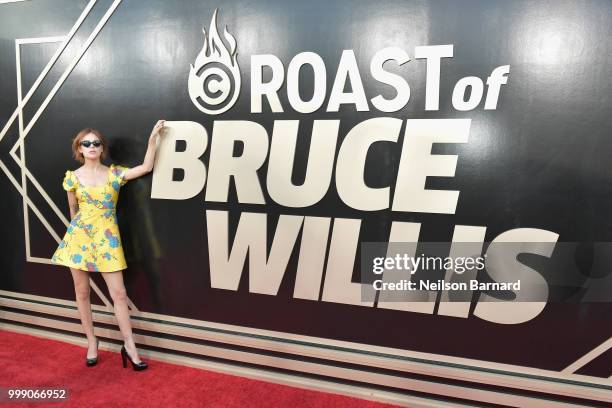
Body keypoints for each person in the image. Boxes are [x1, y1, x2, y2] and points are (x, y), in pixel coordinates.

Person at [51, 120, 166, 371]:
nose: (92, 146)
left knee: (120, 294)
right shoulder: (72, 178)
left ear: (102, 148)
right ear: (79, 149)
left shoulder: (114, 174)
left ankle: (130, 345)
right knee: (82, 293)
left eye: (96, 143)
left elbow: (146, 167)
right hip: (79, 240)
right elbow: (73, 211)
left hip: (108, 241)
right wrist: (76, 239)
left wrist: (153, 140)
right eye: (86, 143)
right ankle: (91, 341)